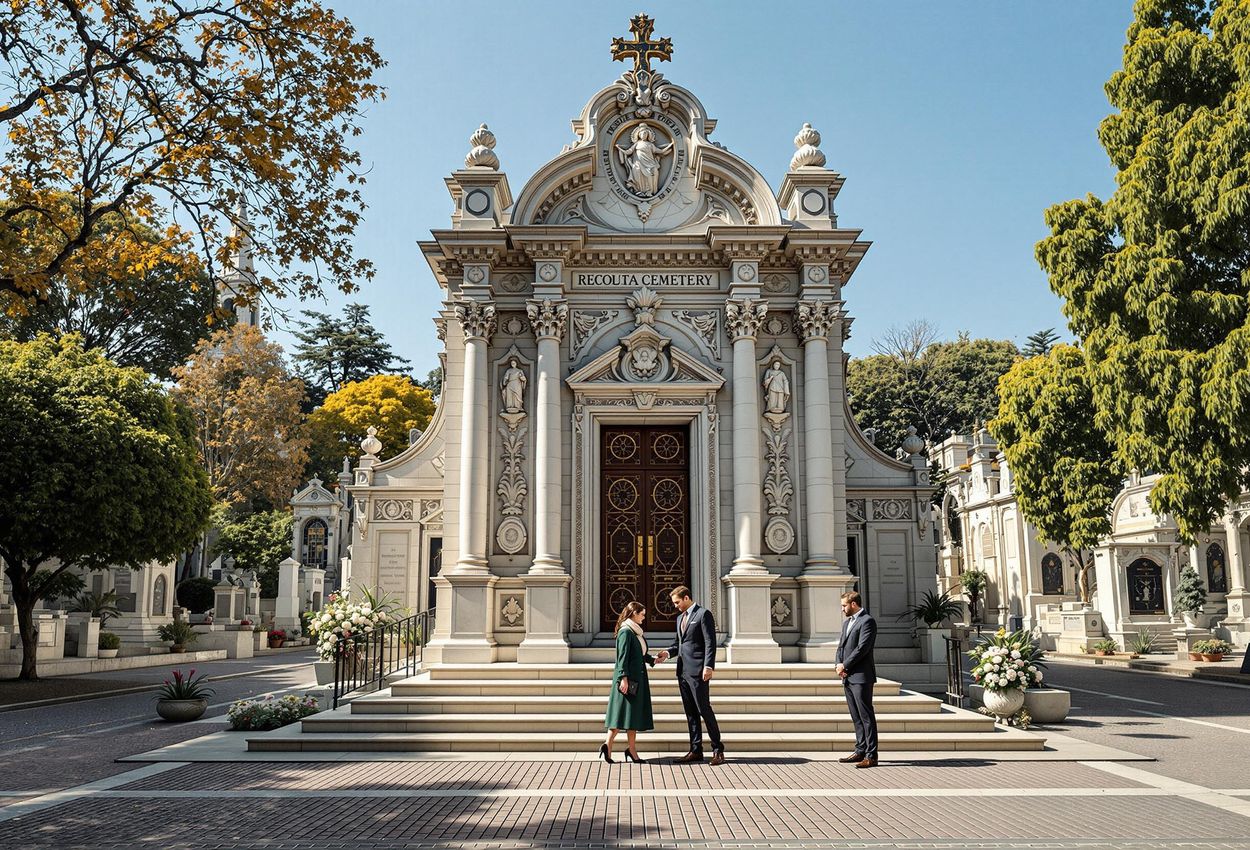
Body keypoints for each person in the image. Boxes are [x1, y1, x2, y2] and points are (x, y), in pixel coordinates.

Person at [656, 585, 724, 765]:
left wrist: (709, 666)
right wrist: (667, 654)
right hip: (683, 672)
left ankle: (718, 750)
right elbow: (679, 644)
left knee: (704, 709)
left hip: (698, 672)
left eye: (677, 602)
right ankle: (696, 750)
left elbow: (710, 643)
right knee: (691, 713)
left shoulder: (703, 614)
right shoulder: (680, 618)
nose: (676, 606)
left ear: (686, 598)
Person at [601, 601, 655, 763]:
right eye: (642, 614)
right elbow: (622, 658)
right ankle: (608, 744)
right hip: (629, 681)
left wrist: (653, 660)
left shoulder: (635, 632)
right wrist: (623, 678)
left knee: (631, 717)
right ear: (633, 614)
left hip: (636, 680)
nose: (644, 617)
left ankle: (630, 750)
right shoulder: (626, 632)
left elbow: (638, 654)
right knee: (621, 716)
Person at [835, 590, 879, 768]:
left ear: (853, 604)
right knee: (856, 717)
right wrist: (839, 664)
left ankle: (871, 755)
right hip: (848, 676)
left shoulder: (867, 621)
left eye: (844, 605)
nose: (842, 609)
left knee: (866, 716)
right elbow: (841, 647)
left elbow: (862, 649)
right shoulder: (847, 624)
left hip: (861, 676)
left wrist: (845, 665)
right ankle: (860, 750)